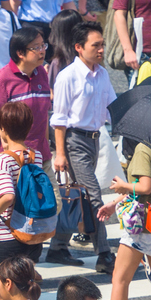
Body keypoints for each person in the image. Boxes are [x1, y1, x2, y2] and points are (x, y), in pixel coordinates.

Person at [49, 19, 115, 270]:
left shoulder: (103, 74)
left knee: (76, 197)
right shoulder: (68, 77)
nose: (101, 50)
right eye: (95, 45)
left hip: (94, 140)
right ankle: (104, 254)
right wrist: (60, 153)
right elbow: (60, 118)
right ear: (78, 47)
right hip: (74, 141)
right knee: (93, 196)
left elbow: (111, 107)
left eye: (102, 45)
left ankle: (58, 247)